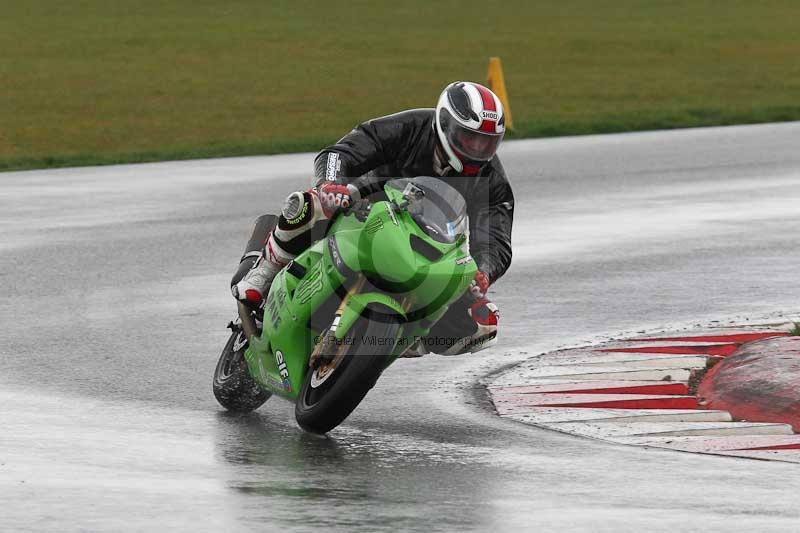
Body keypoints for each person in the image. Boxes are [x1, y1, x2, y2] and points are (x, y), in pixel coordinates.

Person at [232, 81, 514, 355]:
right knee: (309, 204)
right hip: (365, 206)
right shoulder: (409, 127)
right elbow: (339, 153)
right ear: (445, 124)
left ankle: (408, 335)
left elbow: (496, 239)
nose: (478, 149)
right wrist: (331, 184)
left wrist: (484, 271)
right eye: (469, 138)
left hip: (429, 242)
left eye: (487, 143)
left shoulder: (492, 180)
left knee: (484, 323)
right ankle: (266, 269)